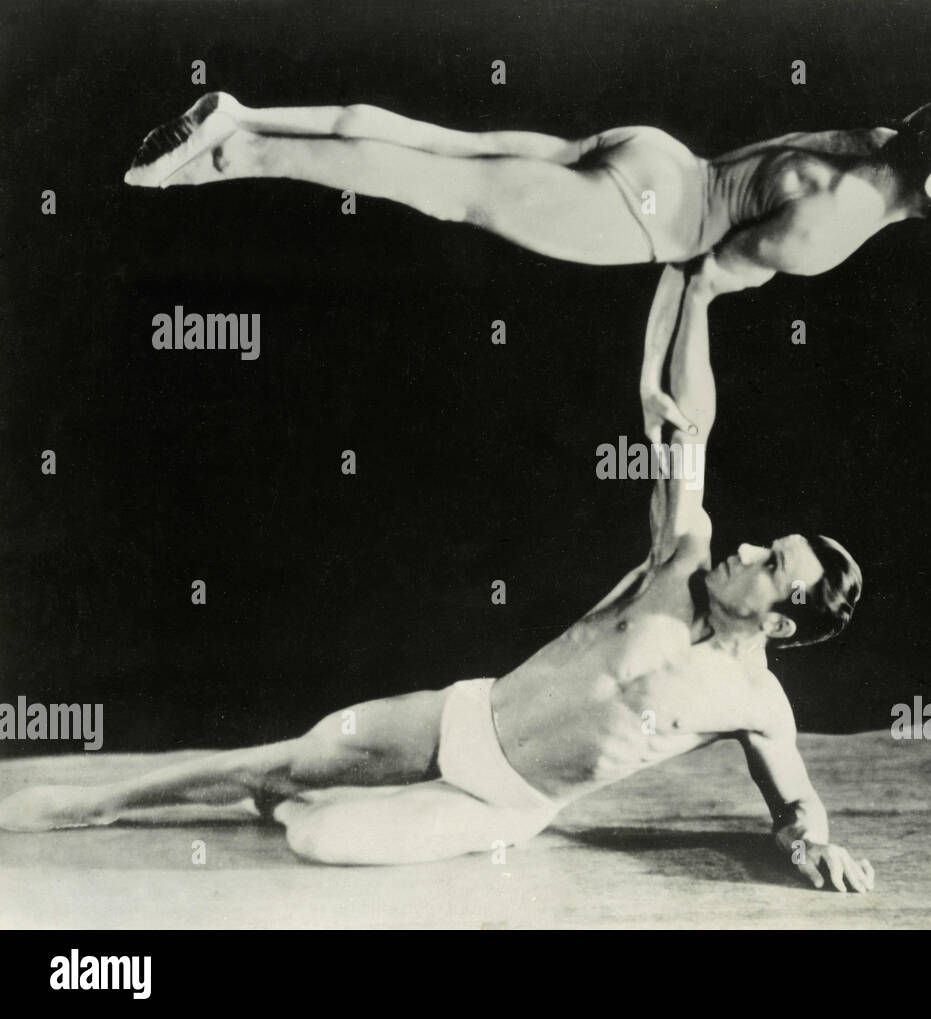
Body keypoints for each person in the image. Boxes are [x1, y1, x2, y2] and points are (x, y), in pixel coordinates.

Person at [0, 257, 872, 891]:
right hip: (465, 718)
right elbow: (691, 425)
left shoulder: (757, 704)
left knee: (320, 841)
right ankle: (105, 801)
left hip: (507, 804)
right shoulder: (681, 554)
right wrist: (697, 285)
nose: (749, 550)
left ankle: (310, 808)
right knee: (293, 758)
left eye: (770, 565)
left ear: (784, 620)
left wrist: (812, 848)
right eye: (766, 543)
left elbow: (795, 803)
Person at [123, 86, 931, 437]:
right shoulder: (834, 224)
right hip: (643, 216)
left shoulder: (904, 146)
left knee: (451, 138)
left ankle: (240, 113)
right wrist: (657, 395)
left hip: (652, 150)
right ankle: (222, 155)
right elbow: (695, 279)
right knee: (440, 187)